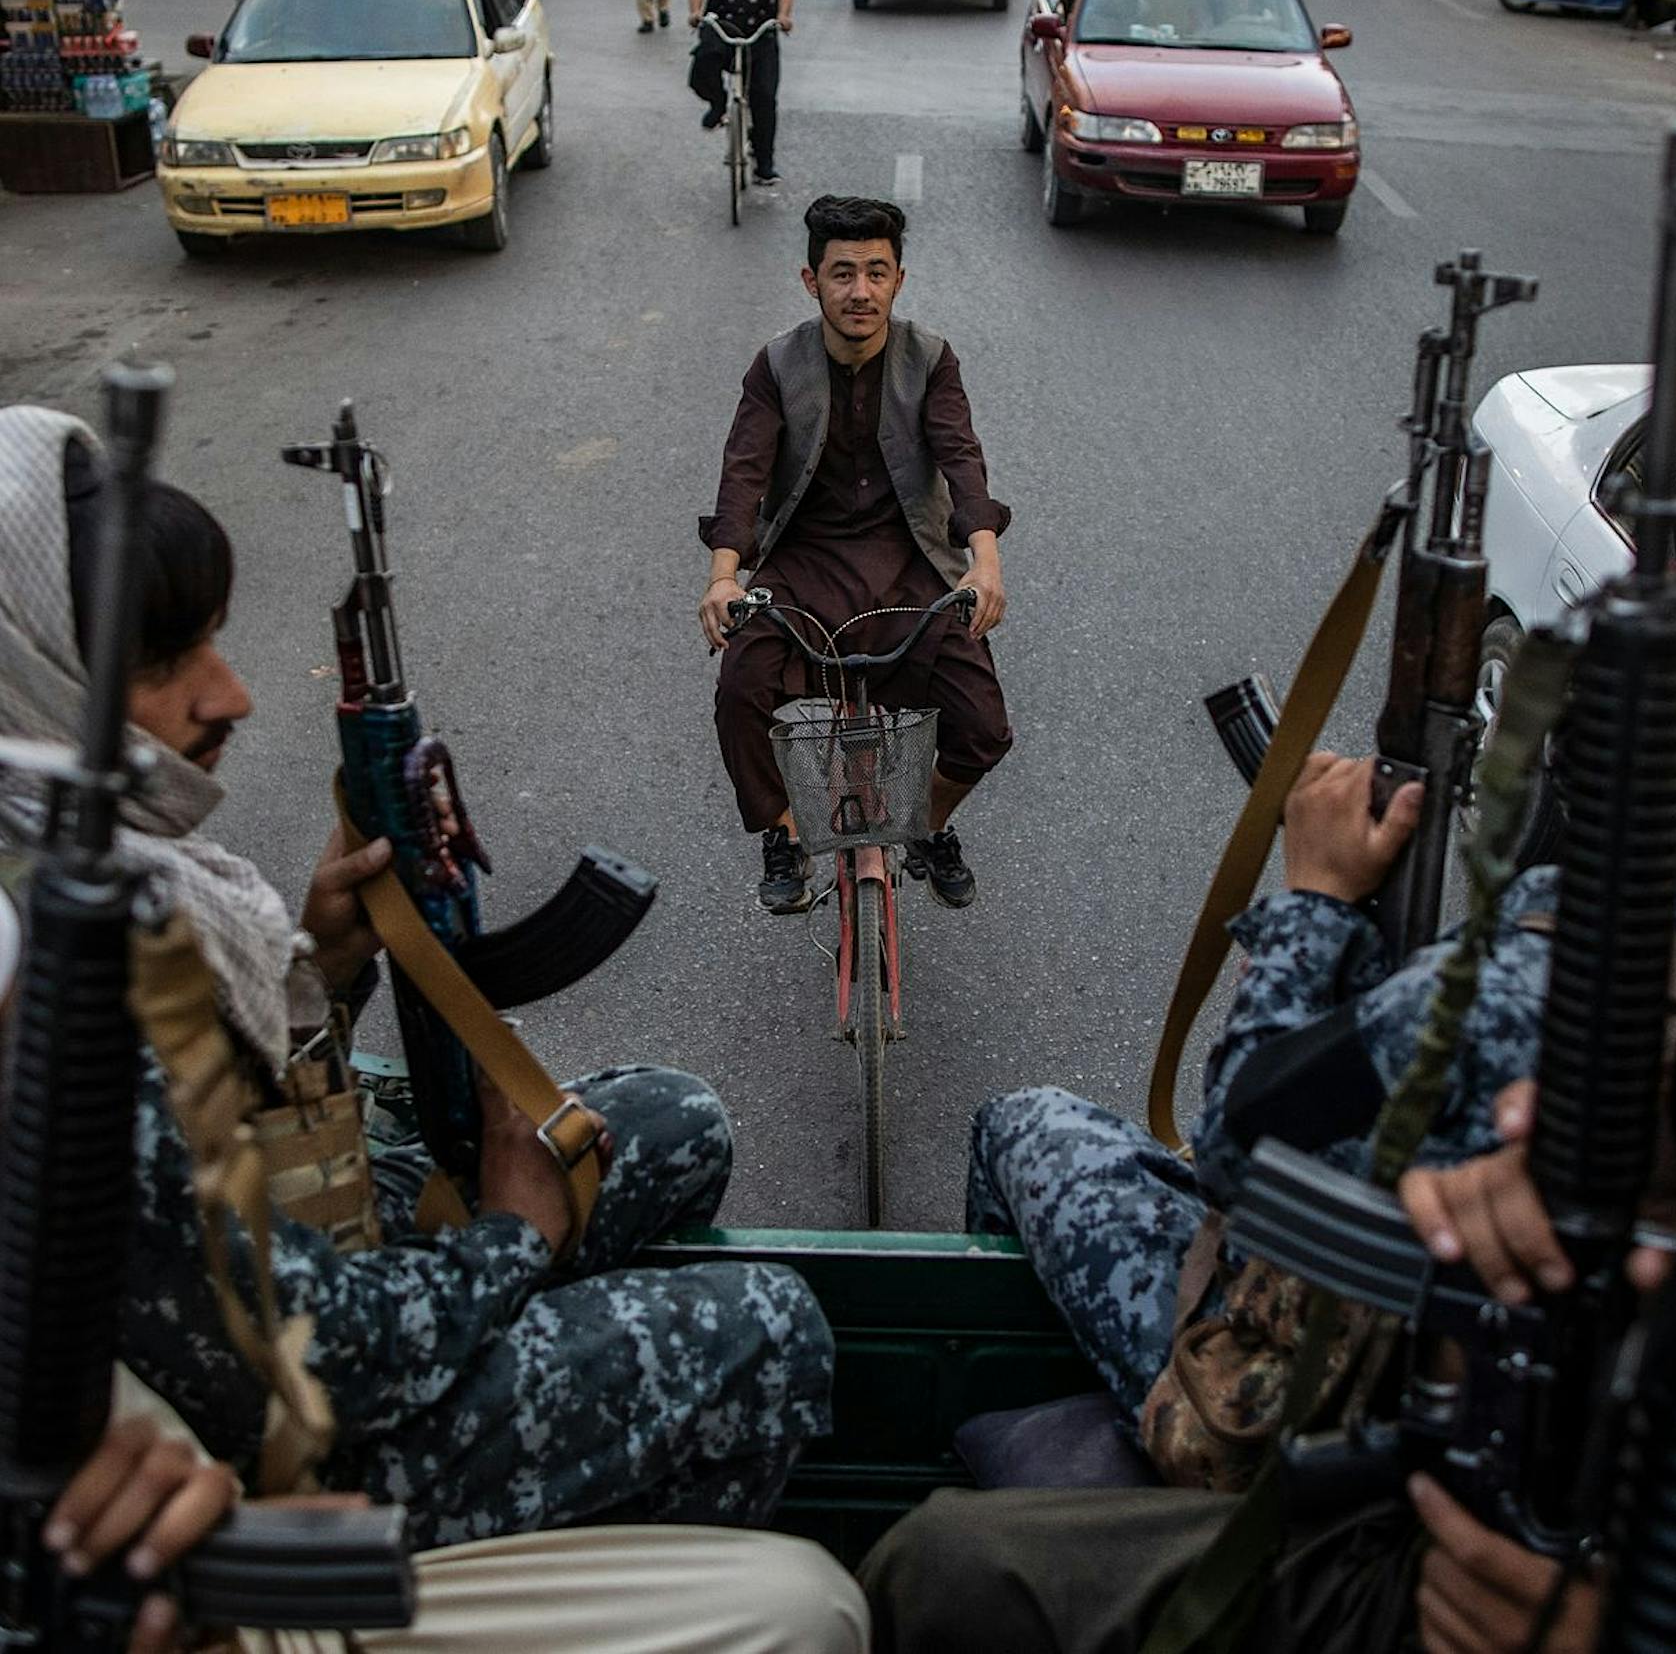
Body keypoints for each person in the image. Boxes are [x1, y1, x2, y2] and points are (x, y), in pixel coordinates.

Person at [863, 563, 1676, 1654]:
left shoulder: (1525, 988)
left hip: (1324, 1410)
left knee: (1026, 1123)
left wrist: (1314, 900)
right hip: (1497, 1433)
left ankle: (1088, 1455)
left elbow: (1240, 1141)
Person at [0, 408, 836, 1550]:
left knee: (672, 1118)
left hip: (298, 1259)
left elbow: (235, 1125)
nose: (231, 694)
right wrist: (509, 1237)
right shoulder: (44, 959)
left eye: (211, 640)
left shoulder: (94, 849)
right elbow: (322, 1356)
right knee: (768, 1327)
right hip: (290, 1466)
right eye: (160, 661)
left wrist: (326, 966)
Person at [31, 1378, 870, 1654]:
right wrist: (517, 1230)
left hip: (258, 1603)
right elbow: (359, 1344)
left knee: (803, 1604)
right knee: (767, 1338)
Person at [698, 196, 1013, 914]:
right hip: (803, 565)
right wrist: (723, 578)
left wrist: (983, 562)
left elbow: (961, 458)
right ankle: (783, 835)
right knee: (740, 685)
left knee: (986, 727)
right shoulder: (777, 363)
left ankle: (926, 824)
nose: (860, 291)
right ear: (811, 281)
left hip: (911, 561)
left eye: (877, 272)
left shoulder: (929, 357)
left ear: (899, 279)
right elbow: (742, 474)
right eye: (842, 274)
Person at [686, 0, 795, 187]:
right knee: (700, 70)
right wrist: (696, 12)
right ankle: (719, 104)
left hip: (761, 30)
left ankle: (764, 162)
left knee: (763, 96)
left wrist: (784, 16)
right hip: (723, 26)